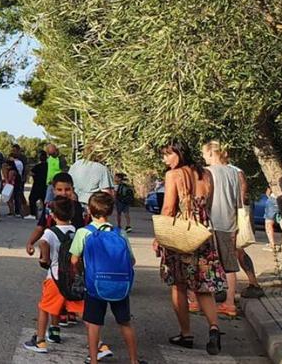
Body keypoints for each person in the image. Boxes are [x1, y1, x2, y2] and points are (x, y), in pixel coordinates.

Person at [157, 142, 224, 355]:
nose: (165, 160)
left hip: (181, 233)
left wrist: (160, 236)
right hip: (202, 233)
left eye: (168, 155)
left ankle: (186, 334)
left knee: (178, 284)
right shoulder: (206, 174)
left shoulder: (174, 175)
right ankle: (214, 328)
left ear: (179, 153)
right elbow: (207, 204)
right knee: (203, 285)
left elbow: (168, 207)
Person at [71, 192, 142, 364]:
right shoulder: (120, 233)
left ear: (89, 210)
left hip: (95, 285)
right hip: (120, 285)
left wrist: (81, 272)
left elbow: (74, 259)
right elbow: (131, 260)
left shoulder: (83, 232)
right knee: (125, 322)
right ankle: (134, 360)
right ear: (110, 211)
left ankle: (94, 359)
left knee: (94, 324)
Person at [23, 197, 86, 354]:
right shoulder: (75, 231)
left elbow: (43, 243)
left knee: (44, 308)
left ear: (52, 215)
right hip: (72, 278)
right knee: (80, 310)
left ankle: (40, 341)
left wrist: (45, 258)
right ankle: (99, 343)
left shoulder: (50, 232)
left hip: (55, 278)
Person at [203, 141, 253, 318]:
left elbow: (206, 197)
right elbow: (242, 198)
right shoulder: (235, 172)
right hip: (231, 223)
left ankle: (205, 301)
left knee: (209, 264)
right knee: (230, 265)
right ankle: (230, 303)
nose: (203, 157)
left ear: (211, 153)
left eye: (204, 153)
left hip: (212, 223)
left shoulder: (208, 172)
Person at [70, 146, 115, 214]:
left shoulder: (76, 164)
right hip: (92, 205)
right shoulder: (102, 169)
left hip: (74, 202)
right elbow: (106, 192)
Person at [28, 150, 49, 219]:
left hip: (37, 185)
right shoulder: (48, 166)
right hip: (45, 185)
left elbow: (31, 173)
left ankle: (33, 214)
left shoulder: (37, 166)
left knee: (32, 199)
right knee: (45, 201)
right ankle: (45, 214)